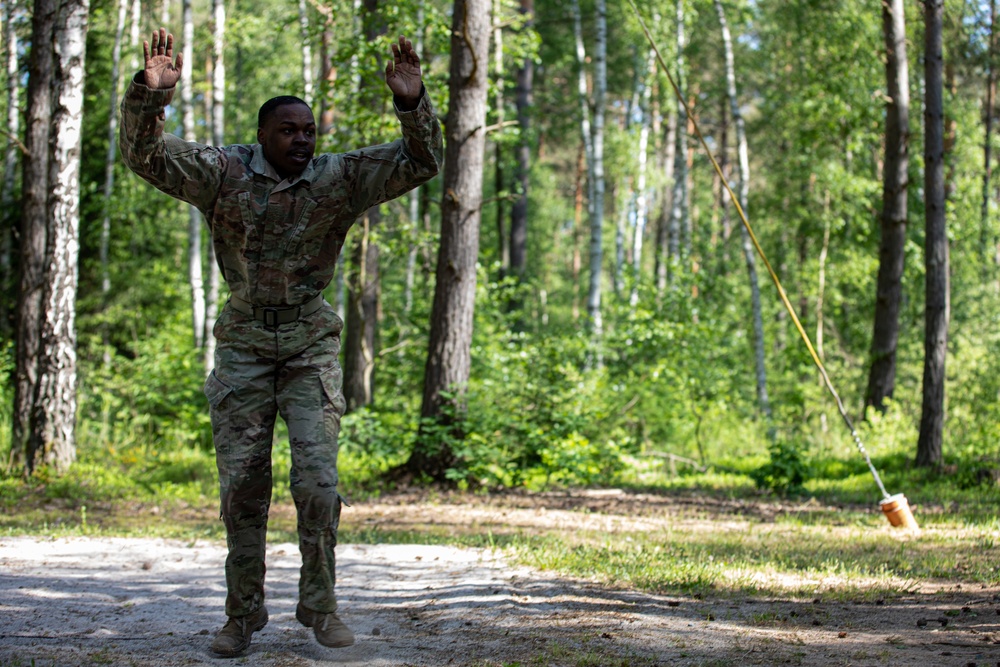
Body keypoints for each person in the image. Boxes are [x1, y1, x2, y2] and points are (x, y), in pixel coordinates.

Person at [120, 27, 442, 657]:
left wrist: (412, 104)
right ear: (263, 135)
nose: (302, 140)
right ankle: (242, 616)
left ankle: (320, 608)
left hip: (308, 345)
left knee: (318, 486)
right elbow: (146, 158)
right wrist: (149, 96)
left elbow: (421, 161)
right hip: (243, 344)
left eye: (309, 131)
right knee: (242, 487)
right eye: (289, 130)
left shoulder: (339, 178)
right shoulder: (223, 172)